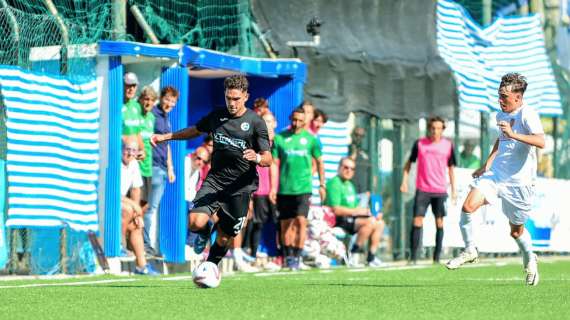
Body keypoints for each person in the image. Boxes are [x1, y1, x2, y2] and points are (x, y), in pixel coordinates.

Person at [151, 75, 272, 269]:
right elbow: (195, 130)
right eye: (228, 98)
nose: (231, 103)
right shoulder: (217, 116)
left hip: (241, 187)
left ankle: (210, 267)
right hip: (215, 181)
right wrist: (167, 136)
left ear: (246, 96)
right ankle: (206, 231)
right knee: (194, 223)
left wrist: (256, 157)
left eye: (236, 99)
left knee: (225, 237)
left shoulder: (256, 122)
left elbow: (268, 158)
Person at [446, 73, 544, 286]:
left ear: (517, 98)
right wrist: (487, 164)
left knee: (516, 231)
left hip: (520, 182)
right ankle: (470, 249)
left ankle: (530, 258)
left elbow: (541, 141)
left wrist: (513, 133)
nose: (500, 100)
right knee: (468, 206)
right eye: (499, 95)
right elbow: (501, 141)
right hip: (496, 174)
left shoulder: (528, 114)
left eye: (504, 97)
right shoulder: (501, 115)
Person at [270, 107, 325, 270]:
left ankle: (297, 256)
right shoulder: (280, 139)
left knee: (301, 221)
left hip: (304, 188)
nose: (296, 123)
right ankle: (288, 257)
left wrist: (322, 184)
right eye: (294, 120)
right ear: (290, 119)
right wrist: (273, 187)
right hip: (284, 189)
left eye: (300, 120)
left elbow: (320, 162)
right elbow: (273, 164)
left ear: (305, 121)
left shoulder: (311, 140)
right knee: (286, 224)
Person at [400, 116, 457, 264]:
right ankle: (413, 258)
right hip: (423, 189)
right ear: (428, 129)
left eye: (438, 128)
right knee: (417, 221)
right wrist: (404, 181)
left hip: (440, 190)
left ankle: (436, 258)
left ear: (442, 130)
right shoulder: (420, 144)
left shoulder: (448, 145)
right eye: (432, 128)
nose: (435, 131)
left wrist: (454, 190)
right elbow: (408, 164)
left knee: (439, 222)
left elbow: (451, 168)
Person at [326, 157, 384, 267]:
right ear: (339, 168)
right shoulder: (334, 183)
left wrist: (370, 212)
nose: (349, 171)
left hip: (351, 219)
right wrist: (357, 211)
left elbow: (355, 207)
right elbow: (335, 209)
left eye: (352, 169)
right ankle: (353, 254)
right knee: (370, 222)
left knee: (379, 223)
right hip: (338, 220)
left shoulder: (350, 185)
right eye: (346, 167)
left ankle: (371, 258)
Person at [145, 86, 179, 257]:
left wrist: (171, 168)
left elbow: (167, 145)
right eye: (167, 100)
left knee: (154, 208)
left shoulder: (166, 118)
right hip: (152, 166)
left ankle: (154, 247)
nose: (169, 104)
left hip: (163, 168)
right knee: (150, 208)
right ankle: (146, 246)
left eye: (173, 102)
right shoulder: (153, 115)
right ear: (161, 98)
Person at [120, 137, 158, 275]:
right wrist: (135, 208)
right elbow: (112, 193)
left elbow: (136, 189)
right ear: (121, 149)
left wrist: (138, 214)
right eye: (127, 149)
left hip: (124, 202)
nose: (130, 153)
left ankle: (142, 266)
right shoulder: (114, 163)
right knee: (128, 210)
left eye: (133, 150)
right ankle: (120, 246)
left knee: (137, 224)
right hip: (109, 203)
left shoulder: (134, 164)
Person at [137, 86, 158, 202]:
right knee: (135, 205)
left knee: (145, 204)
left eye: (151, 100)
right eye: (146, 99)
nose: (148, 102)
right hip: (136, 167)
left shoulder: (151, 118)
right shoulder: (136, 116)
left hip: (148, 167)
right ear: (140, 100)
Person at [122, 72, 145, 159]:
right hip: (122, 155)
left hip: (133, 156)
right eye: (128, 85)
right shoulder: (116, 105)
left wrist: (142, 150)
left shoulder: (137, 106)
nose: (131, 89)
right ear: (122, 85)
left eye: (134, 86)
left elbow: (137, 132)